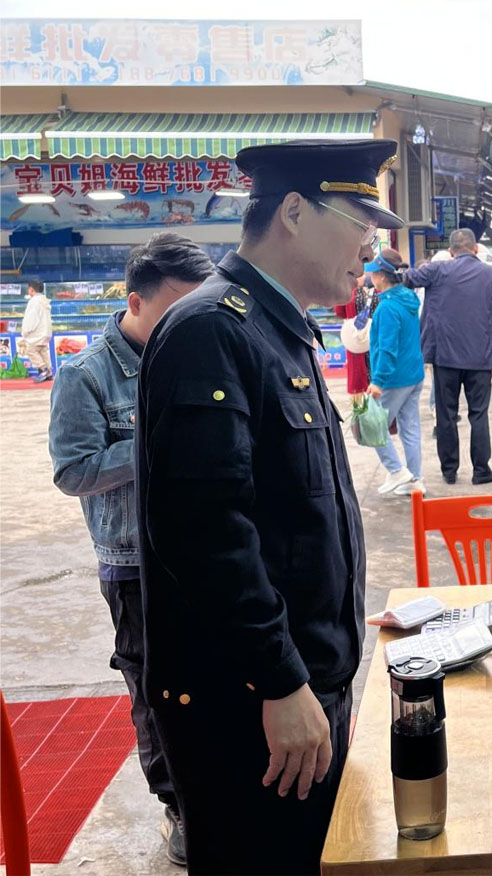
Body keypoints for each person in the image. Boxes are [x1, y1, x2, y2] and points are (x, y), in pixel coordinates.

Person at [136, 139, 404, 875]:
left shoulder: (279, 328)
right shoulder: (211, 330)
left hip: (306, 688)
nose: (370, 245)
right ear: (293, 212)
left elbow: (294, 513)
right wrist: (280, 680)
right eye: (359, 222)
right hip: (253, 705)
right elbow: (205, 532)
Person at [48, 233, 213, 866]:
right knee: (156, 690)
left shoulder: (198, 355)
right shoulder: (86, 374)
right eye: (175, 309)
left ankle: (217, 792)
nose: (186, 323)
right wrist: (155, 443)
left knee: (216, 678)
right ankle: (179, 806)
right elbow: (73, 472)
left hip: (204, 551)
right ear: (136, 301)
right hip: (135, 563)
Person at [403, 228, 492, 485]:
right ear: (475, 248)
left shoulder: (438, 270)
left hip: (445, 356)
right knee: (478, 413)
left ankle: (449, 470)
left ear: (451, 251)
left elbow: (408, 278)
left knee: (446, 414)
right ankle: (481, 470)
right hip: (479, 357)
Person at [366, 248, 425, 497]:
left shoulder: (387, 308)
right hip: (414, 374)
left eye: (373, 274)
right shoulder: (408, 299)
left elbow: (388, 348)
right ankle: (415, 480)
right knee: (409, 428)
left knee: (371, 426)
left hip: (394, 378)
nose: (370, 278)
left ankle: (396, 470)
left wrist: (378, 381)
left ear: (381, 276)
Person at [333, 279, 372, 400]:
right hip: (374, 338)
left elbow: (340, 312)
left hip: (356, 338)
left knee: (357, 377)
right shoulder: (378, 291)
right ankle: (377, 411)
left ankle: (360, 412)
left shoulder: (348, 293)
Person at [22, 279, 53, 382]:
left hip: (37, 333)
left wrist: (25, 332)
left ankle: (43, 369)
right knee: (43, 351)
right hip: (46, 332)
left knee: (31, 350)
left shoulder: (34, 302)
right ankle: (49, 371)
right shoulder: (45, 301)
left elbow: (31, 319)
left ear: (31, 290)